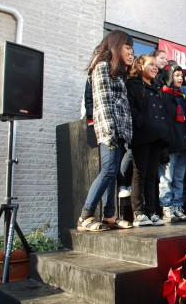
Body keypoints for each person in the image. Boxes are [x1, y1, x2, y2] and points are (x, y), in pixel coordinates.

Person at [77, 30, 134, 232]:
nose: (131, 53)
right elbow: (103, 103)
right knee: (109, 170)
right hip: (109, 130)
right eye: (128, 48)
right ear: (116, 45)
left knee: (112, 173)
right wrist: (110, 133)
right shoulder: (101, 67)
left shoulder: (117, 73)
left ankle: (109, 214)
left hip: (119, 131)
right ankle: (85, 215)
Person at [126, 54, 169, 227]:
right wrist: (140, 121)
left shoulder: (156, 87)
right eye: (150, 64)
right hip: (142, 135)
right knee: (139, 173)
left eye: (155, 65)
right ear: (140, 66)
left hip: (157, 136)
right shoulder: (133, 84)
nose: (155, 67)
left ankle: (152, 212)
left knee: (152, 176)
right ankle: (139, 213)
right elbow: (130, 107)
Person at [158, 64, 186, 222]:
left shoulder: (182, 97)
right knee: (166, 178)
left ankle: (177, 205)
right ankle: (167, 207)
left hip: (182, 144)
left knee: (179, 179)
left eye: (181, 76)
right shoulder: (162, 95)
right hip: (169, 145)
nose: (180, 78)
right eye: (176, 75)